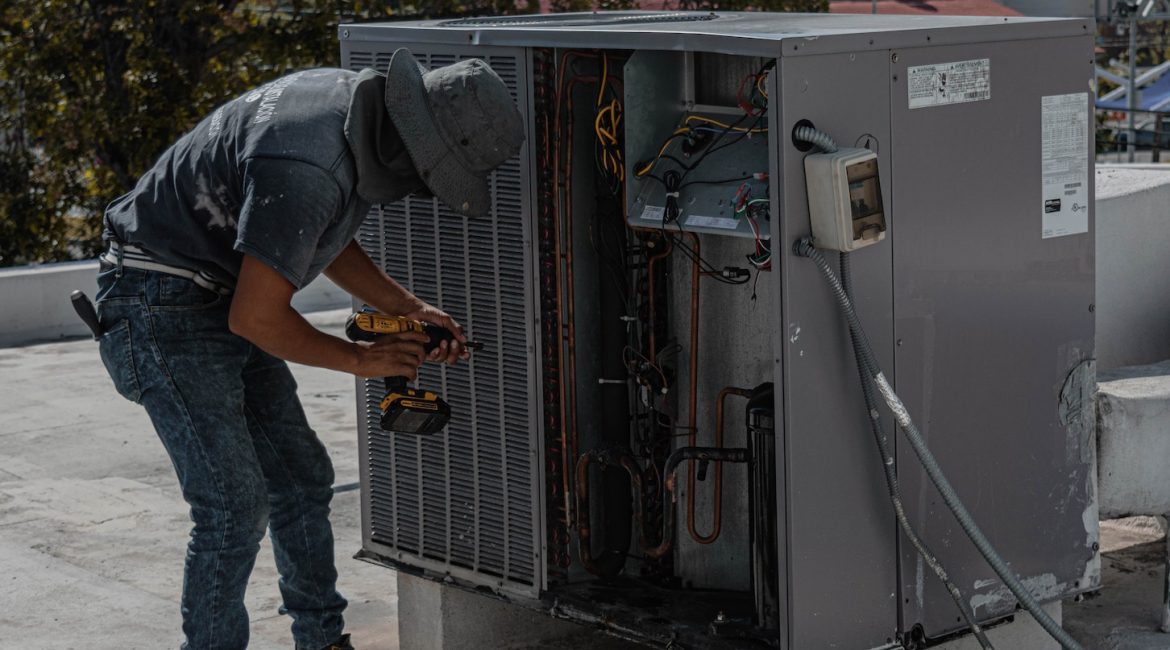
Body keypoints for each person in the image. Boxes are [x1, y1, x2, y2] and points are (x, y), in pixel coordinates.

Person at [93, 48, 525, 650]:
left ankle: (321, 640)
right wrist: (359, 360)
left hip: (208, 286)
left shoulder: (347, 110)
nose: (419, 193)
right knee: (232, 506)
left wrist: (408, 308)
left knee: (300, 478)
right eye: (429, 178)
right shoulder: (307, 163)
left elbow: (308, 229)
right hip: (157, 301)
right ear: (413, 150)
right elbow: (256, 315)